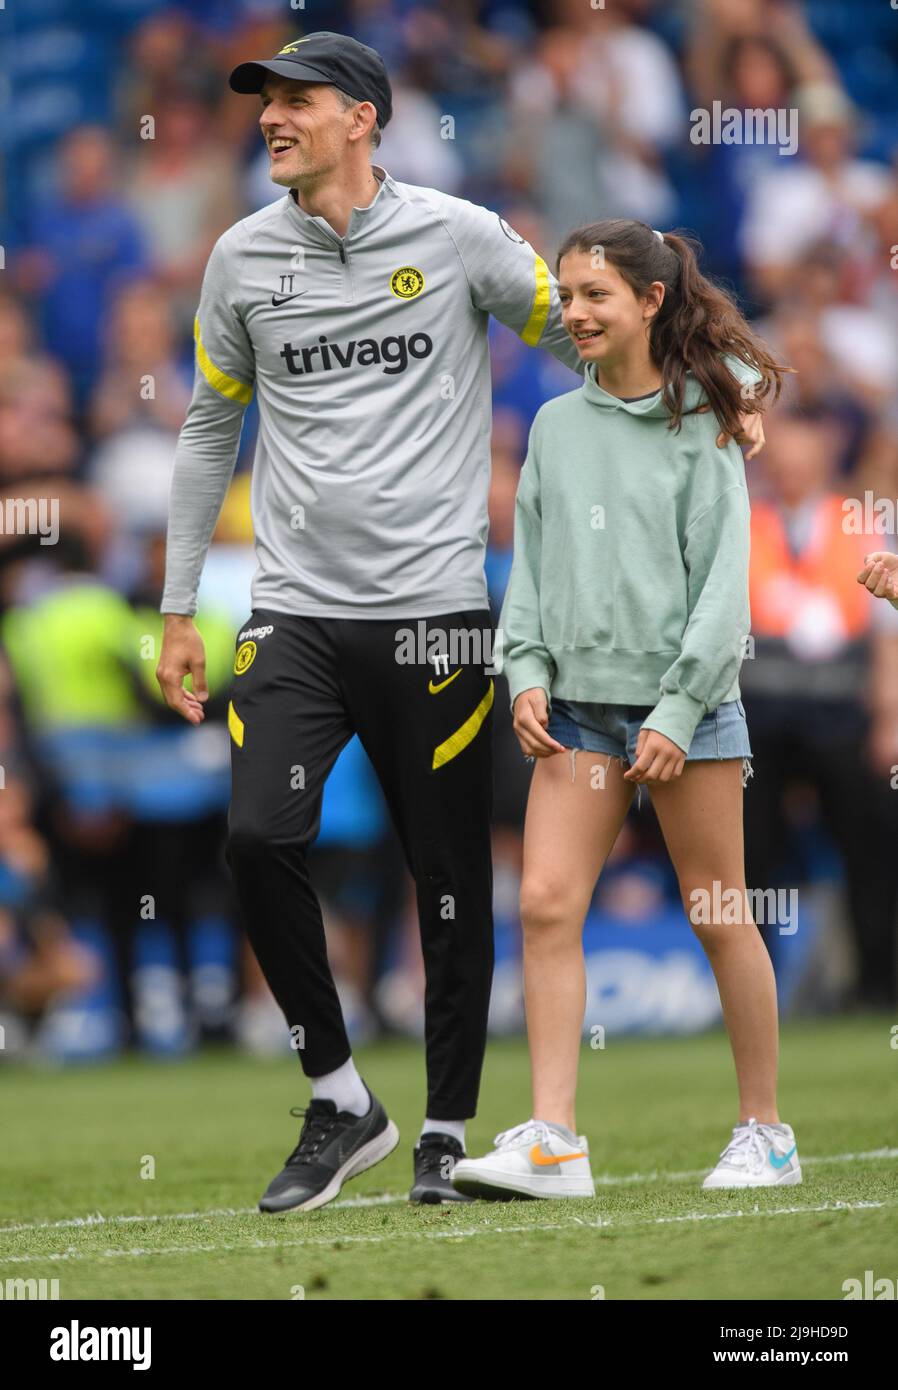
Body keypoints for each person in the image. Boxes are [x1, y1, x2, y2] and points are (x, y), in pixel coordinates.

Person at [156, 32, 764, 1214]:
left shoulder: (460, 235)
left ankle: (446, 1127)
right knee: (256, 839)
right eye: (265, 103)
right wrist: (179, 605)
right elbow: (203, 427)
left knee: (447, 877)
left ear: (364, 118)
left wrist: (723, 388)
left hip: (436, 613)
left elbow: (592, 325)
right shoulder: (238, 258)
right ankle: (339, 1096)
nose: (273, 118)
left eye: (298, 101)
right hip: (289, 610)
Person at [451, 219, 798, 1199]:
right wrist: (520, 671)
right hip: (574, 712)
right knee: (544, 903)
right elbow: (530, 567)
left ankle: (765, 1130)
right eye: (565, 297)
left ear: (649, 300)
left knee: (718, 910)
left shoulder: (707, 421)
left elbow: (722, 592)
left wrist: (679, 711)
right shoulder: (555, 427)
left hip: (685, 713)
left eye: (595, 295)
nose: (574, 313)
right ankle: (554, 1138)